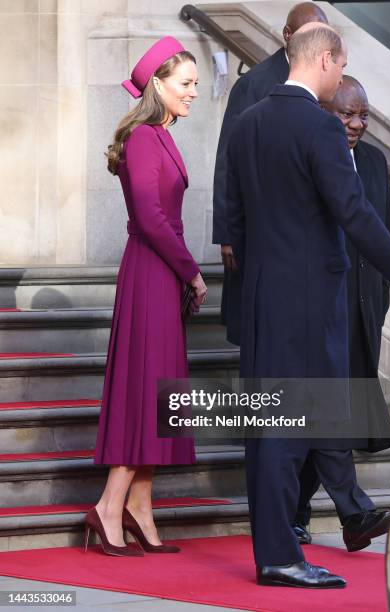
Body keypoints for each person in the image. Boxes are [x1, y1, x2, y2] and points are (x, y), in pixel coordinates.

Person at [227, 22, 390, 588]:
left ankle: (275, 550)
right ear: (326, 60)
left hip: (261, 296)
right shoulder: (319, 128)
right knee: (288, 428)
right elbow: (356, 216)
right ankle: (281, 557)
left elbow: (238, 215)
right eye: (340, 64)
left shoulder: (249, 121)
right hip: (307, 304)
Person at [213, 1, 329, 545]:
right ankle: (280, 521)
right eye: (308, 31)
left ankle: (295, 512)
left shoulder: (326, 92)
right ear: (287, 36)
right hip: (262, 261)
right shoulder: (254, 87)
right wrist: (228, 231)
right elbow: (227, 163)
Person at [88, 37, 207, 557]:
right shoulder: (142, 136)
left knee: (159, 393)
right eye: (185, 84)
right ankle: (109, 507)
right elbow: (152, 217)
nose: (194, 93)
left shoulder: (159, 135)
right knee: (146, 391)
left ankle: (140, 506)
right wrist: (192, 273)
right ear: (157, 84)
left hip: (162, 274)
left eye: (196, 84)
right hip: (151, 273)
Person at [295, 76, 390, 527]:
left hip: (363, 310)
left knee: (339, 414)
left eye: (364, 115)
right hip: (322, 310)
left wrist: (379, 302)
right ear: (323, 111)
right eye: (346, 114)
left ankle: (331, 512)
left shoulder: (374, 162)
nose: (356, 124)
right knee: (324, 413)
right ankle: (325, 511)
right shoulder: (309, 157)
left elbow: (383, 237)